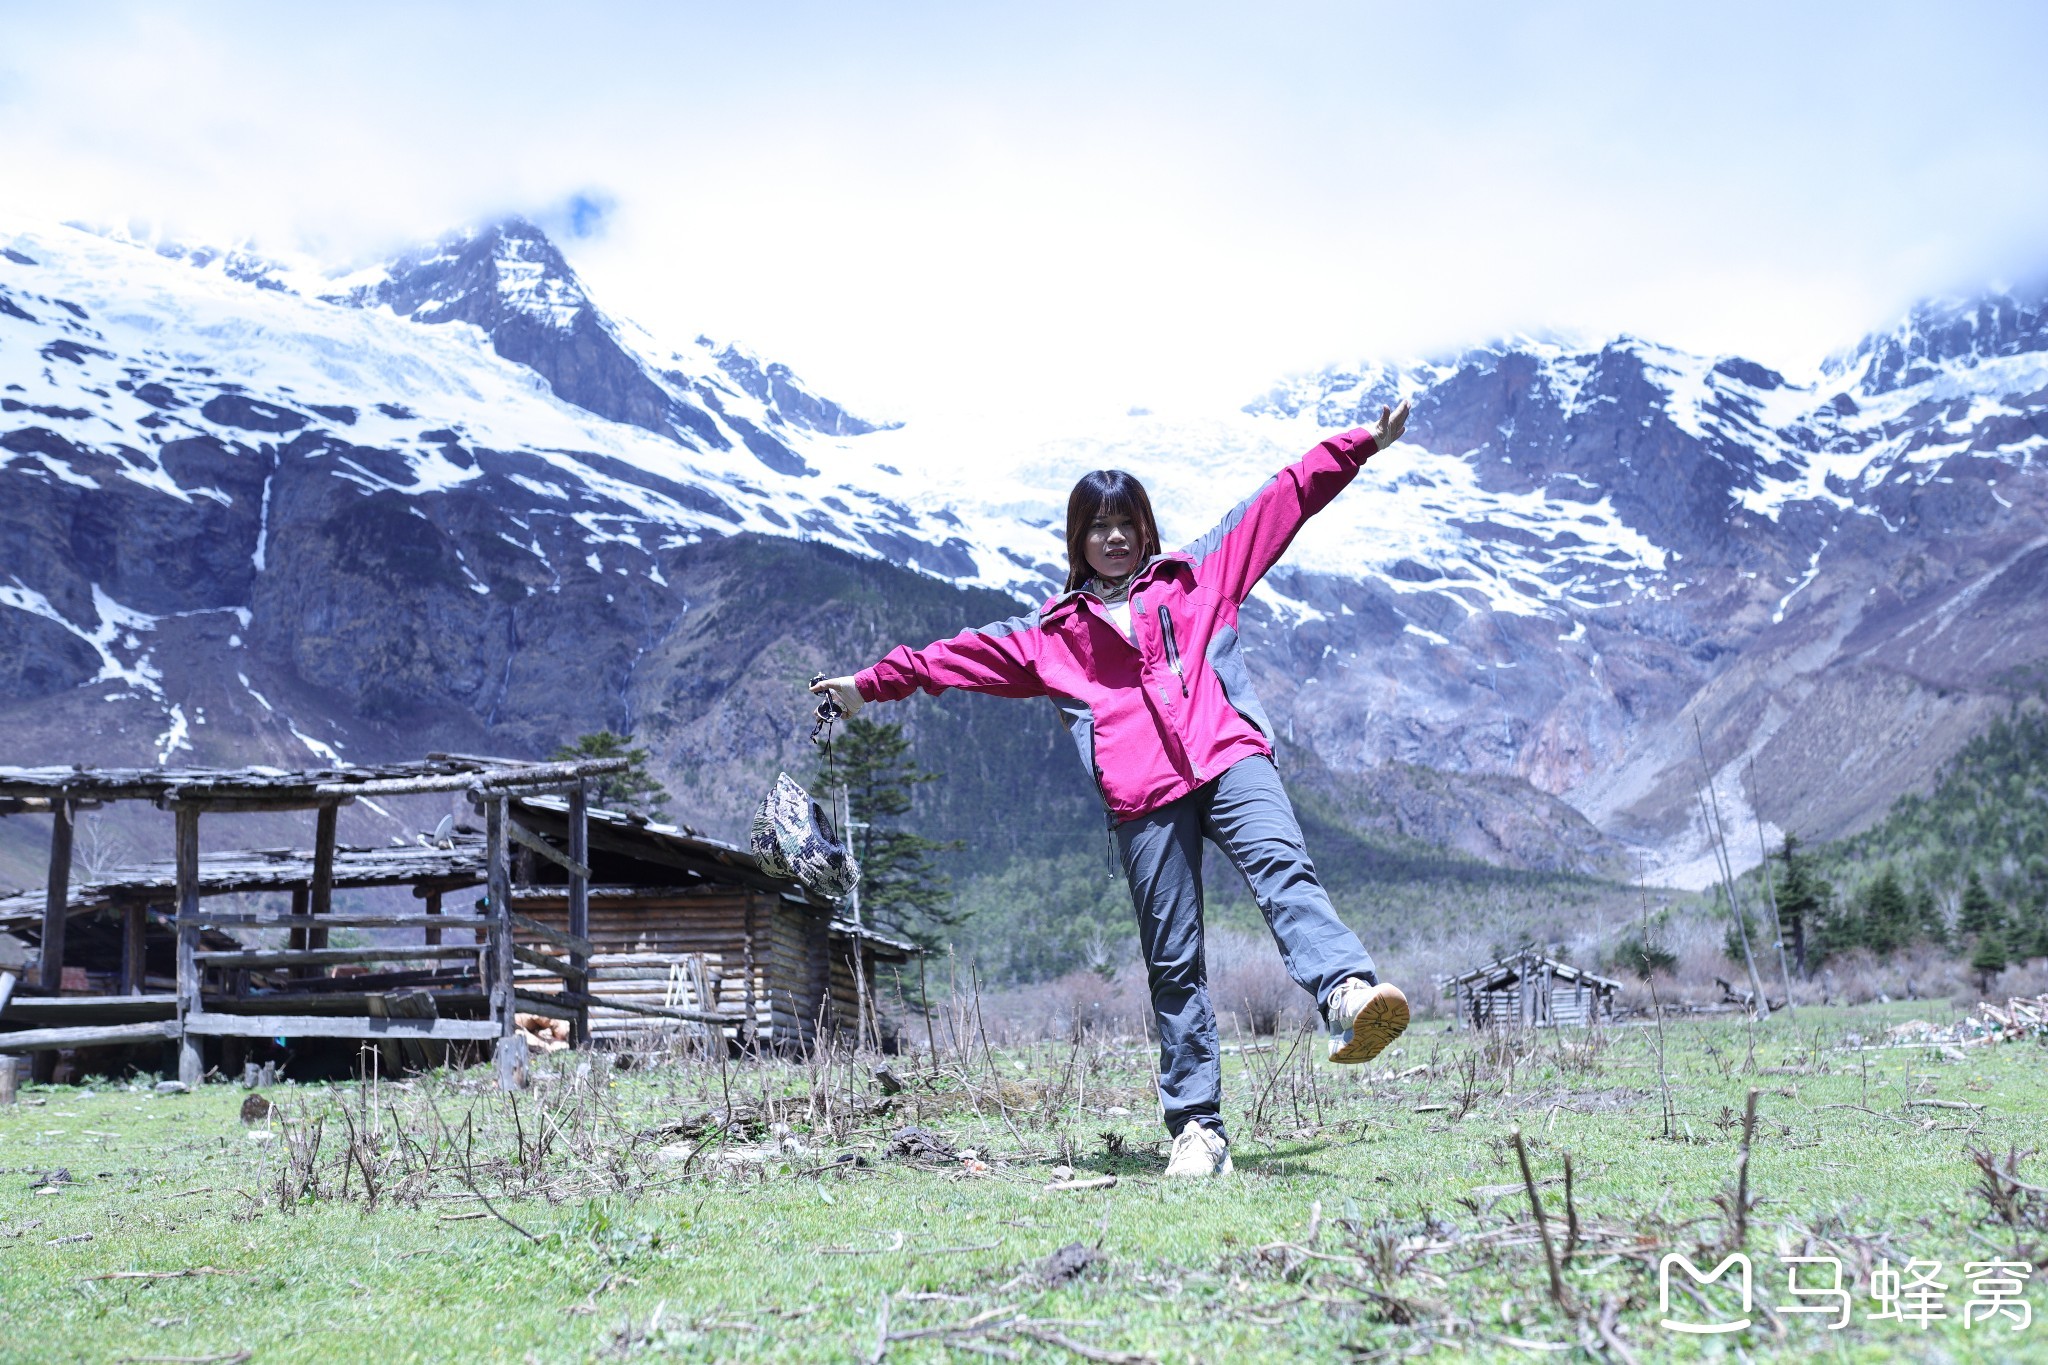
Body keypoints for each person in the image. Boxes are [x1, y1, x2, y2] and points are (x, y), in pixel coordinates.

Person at [811, 401, 1413, 1177]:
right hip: (1144, 799)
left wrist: (1359, 444)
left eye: (1127, 521)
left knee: (1284, 871)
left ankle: (1347, 996)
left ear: (1147, 528)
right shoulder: (1049, 637)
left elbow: (1283, 497)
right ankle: (1198, 1128)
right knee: (1174, 960)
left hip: (1229, 756)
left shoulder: (1201, 573)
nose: (1115, 536)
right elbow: (949, 658)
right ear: (1079, 540)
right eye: (1098, 526)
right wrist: (867, 685)